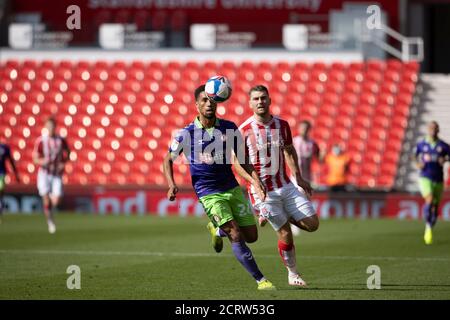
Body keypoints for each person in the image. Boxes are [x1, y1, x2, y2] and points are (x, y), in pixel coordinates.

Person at [162, 85, 276, 290]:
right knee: (235, 234)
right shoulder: (186, 134)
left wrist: (255, 181)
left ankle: (216, 229)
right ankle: (261, 279)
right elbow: (167, 159)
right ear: (196, 104)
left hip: (231, 187)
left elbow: (243, 161)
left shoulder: (230, 128)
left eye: (211, 100)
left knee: (252, 236)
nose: (208, 104)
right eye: (204, 100)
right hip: (208, 192)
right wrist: (171, 184)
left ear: (218, 101)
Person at [234, 85, 319, 287]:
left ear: (270, 100)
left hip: (286, 185)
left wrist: (299, 177)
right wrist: (254, 181)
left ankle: (276, 214)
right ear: (250, 103)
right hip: (263, 191)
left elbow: (289, 151)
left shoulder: (282, 125)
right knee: (284, 233)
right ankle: (293, 274)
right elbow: (236, 163)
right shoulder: (243, 130)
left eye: (263, 98)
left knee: (312, 225)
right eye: (256, 99)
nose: (260, 102)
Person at [414, 121, 450, 245]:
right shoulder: (421, 144)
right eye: (431, 128)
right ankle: (427, 227)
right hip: (425, 177)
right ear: (427, 129)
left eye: (435, 128)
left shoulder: (443, 146)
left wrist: (444, 159)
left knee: (435, 209)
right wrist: (418, 164)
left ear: (438, 130)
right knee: (429, 200)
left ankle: (430, 224)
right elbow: (414, 155)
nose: (433, 130)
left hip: (438, 179)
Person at [33, 117, 70, 234]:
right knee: (46, 199)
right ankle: (50, 222)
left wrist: (64, 163)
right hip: (44, 174)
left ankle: (49, 203)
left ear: (55, 127)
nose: (51, 128)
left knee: (57, 200)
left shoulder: (61, 140)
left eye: (52, 126)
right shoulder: (41, 141)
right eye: (48, 126)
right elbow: (35, 158)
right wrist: (42, 161)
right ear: (45, 127)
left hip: (56, 174)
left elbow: (68, 152)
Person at [0, 142, 20, 223]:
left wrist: (16, 173)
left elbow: (10, 160)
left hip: (1, 173)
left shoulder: (4, 147)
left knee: (0, 190)